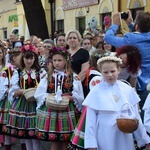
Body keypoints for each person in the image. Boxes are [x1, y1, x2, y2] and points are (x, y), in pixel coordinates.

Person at [83, 56, 150, 150]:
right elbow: (90, 120)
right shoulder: (96, 91)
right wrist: (91, 143)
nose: (110, 75)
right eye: (106, 72)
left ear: (118, 70)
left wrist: (143, 139)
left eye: (113, 71)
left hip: (124, 132)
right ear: (101, 72)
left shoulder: (127, 89)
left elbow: (135, 115)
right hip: (104, 131)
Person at [34, 46, 84, 150]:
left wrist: (71, 98)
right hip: (52, 110)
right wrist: (48, 95)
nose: (57, 63)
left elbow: (79, 95)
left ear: (66, 61)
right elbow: (39, 93)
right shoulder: (47, 76)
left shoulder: (73, 77)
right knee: (55, 141)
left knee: (66, 140)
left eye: (60, 60)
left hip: (67, 110)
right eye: (55, 60)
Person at [104, 11, 150, 119]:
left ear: (137, 26)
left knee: (143, 118)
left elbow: (108, 38)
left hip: (139, 85)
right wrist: (130, 24)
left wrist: (115, 24)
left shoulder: (131, 38)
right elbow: (142, 32)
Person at [6, 45, 44, 150]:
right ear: (23, 58)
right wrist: (20, 91)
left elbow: (44, 86)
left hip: (36, 103)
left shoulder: (40, 72)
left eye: (31, 58)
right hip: (23, 104)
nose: (29, 61)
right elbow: (14, 89)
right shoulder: (18, 72)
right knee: (26, 133)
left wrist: (38, 91)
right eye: (26, 58)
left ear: (35, 58)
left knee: (35, 134)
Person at [65, 30, 90, 97]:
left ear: (79, 40)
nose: (72, 40)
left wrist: (74, 83)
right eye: (70, 38)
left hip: (79, 84)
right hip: (65, 84)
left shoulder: (84, 52)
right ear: (67, 40)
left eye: (74, 38)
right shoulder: (64, 53)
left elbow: (84, 71)